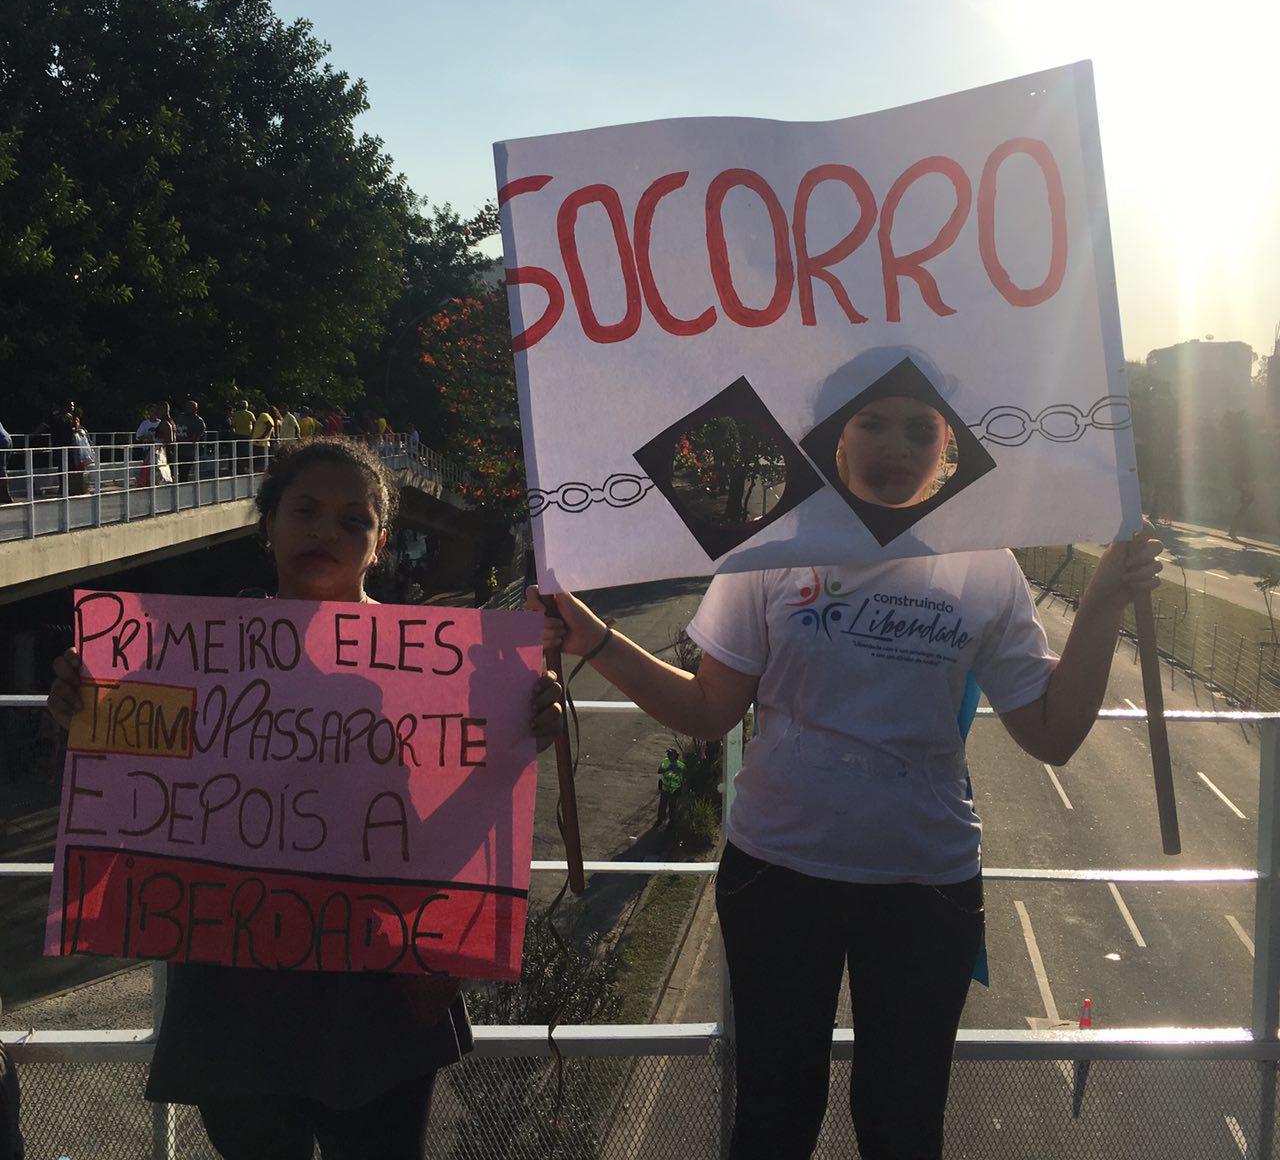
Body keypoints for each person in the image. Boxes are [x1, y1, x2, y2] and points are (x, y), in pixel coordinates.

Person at [531, 389, 1163, 1160]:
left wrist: (1105, 599)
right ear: (835, 437)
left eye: (920, 428)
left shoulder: (984, 565)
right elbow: (707, 710)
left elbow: (1053, 733)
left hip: (924, 887)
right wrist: (592, 637)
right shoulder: (771, 549)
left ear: (947, 446)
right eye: (871, 422)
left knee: (903, 1128)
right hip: (778, 874)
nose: (895, 444)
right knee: (773, 1121)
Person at [45, 436, 565, 1159]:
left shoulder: (440, 669)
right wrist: (84, 711)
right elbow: (136, 798)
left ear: (381, 545)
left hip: (375, 995)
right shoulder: (194, 657)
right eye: (306, 510)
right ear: (268, 524)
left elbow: (454, 825)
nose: (326, 531)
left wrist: (519, 736)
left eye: (354, 520)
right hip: (236, 987)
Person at [174, 399, 207, 482]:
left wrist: (182, 441)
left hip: (188, 452)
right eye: (187, 407)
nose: (187, 408)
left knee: (184, 473)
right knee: (174, 472)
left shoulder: (198, 421)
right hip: (176, 450)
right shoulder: (180, 417)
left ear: (195, 409)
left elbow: (195, 438)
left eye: (190, 407)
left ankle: (184, 487)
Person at [656, 746, 685, 829]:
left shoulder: (681, 764)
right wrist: (667, 768)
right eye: (668, 754)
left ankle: (672, 821)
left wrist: (678, 770)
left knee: (673, 805)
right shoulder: (665, 761)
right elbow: (659, 771)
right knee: (663, 804)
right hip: (665, 787)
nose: (669, 756)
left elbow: (685, 773)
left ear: (675, 755)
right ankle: (660, 819)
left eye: (670, 754)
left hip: (674, 789)